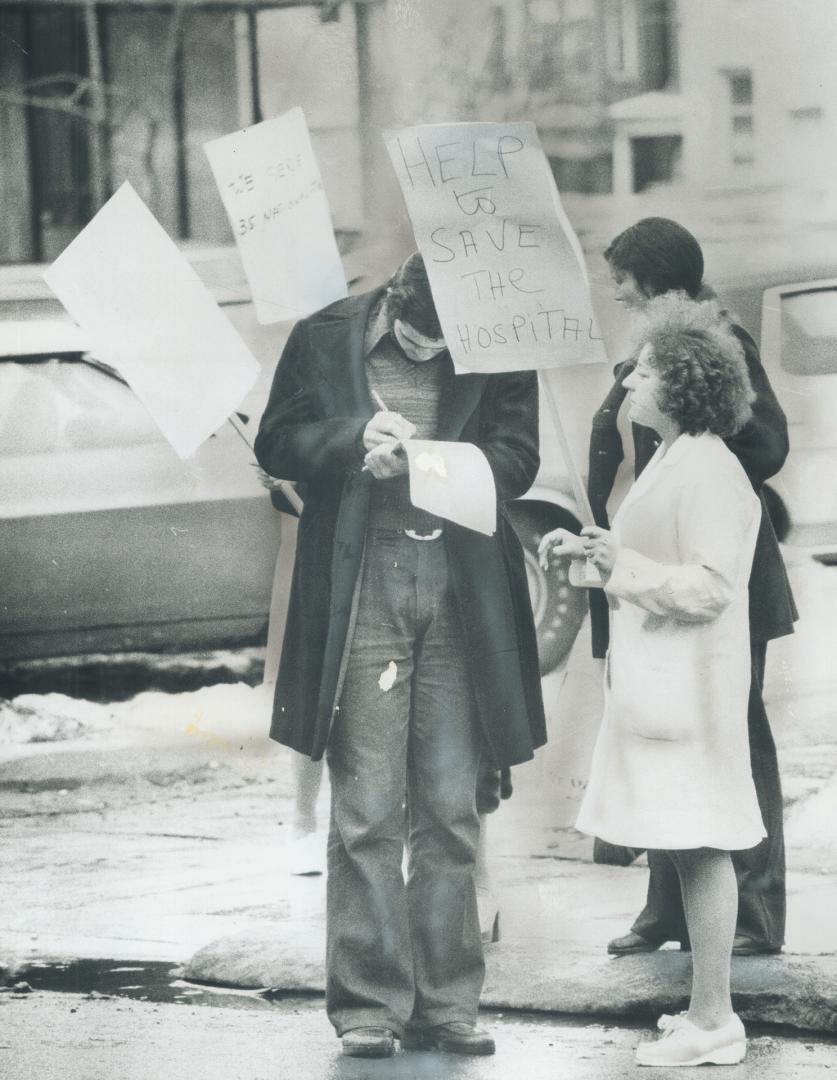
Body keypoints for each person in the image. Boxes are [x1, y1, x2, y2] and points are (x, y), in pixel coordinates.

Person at [254, 252, 546, 1059]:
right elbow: (277, 440)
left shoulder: (496, 342)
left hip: (459, 588)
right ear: (397, 305)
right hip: (362, 581)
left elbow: (518, 462)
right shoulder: (326, 335)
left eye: (445, 349)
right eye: (419, 342)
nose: (430, 357)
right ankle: (368, 1007)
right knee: (366, 807)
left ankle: (449, 1004)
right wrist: (353, 440)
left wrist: (424, 462)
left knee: (451, 807)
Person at [542, 293, 766, 1066]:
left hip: (691, 693)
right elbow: (648, 557)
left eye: (642, 372)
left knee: (702, 844)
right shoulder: (675, 457)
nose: (630, 383)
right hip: (666, 686)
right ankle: (706, 1009)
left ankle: (715, 1022)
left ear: (681, 385)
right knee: (684, 842)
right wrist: (591, 551)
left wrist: (621, 567)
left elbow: (707, 586)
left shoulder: (707, 468)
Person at [586, 218, 796, 957]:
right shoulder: (652, 349)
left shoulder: (712, 343)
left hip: (705, 581)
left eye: (624, 278)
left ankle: (754, 912)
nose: (615, 291)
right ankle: (668, 911)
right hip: (647, 580)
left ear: (657, 280)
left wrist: (695, 443)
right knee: (663, 740)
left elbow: (766, 442)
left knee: (731, 742)